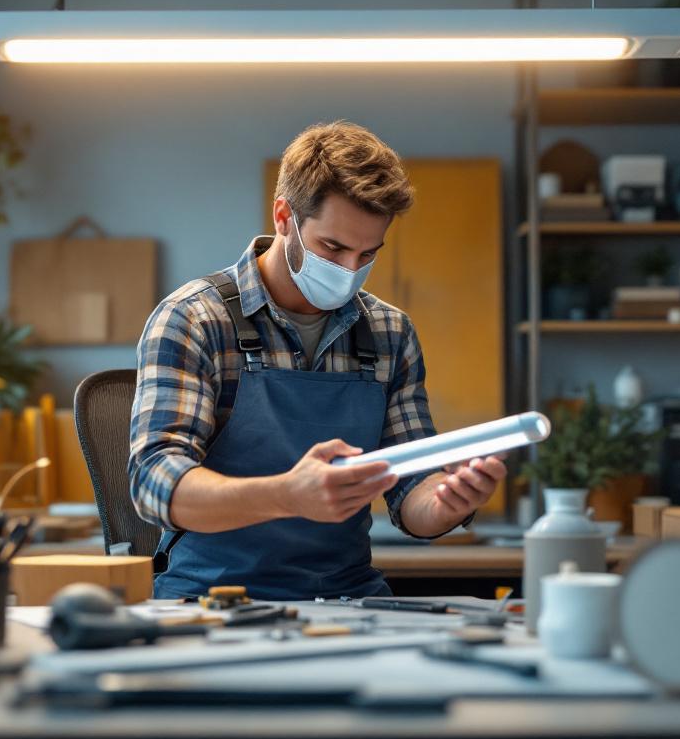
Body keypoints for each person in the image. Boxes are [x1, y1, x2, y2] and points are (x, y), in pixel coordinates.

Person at [128, 120, 506, 601]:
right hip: (210, 600)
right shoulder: (194, 320)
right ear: (284, 216)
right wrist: (286, 495)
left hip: (348, 601)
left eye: (368, 253)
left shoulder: (390, 334)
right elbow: (153, 482)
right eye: (333, 248)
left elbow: (411, 491)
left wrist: (446, 502)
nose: (350, 271)